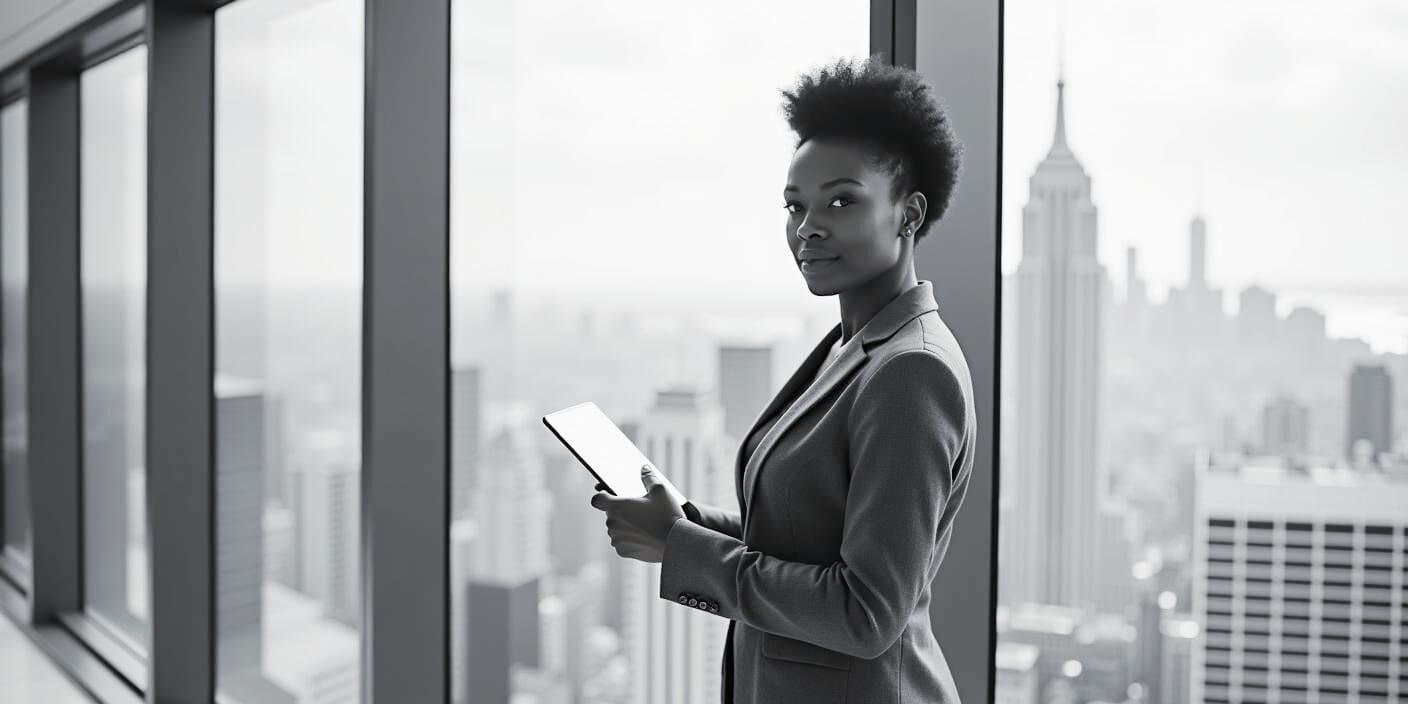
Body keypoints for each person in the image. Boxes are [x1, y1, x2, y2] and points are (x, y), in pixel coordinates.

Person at [589, 54, 974, 704]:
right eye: (795, 206)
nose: (808, 227)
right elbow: (805, 535)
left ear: (909, 214)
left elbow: (866, 613)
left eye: (842, 200)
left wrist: (679, 547)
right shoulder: (849, 347)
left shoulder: (912, 371)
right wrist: (684, 521)